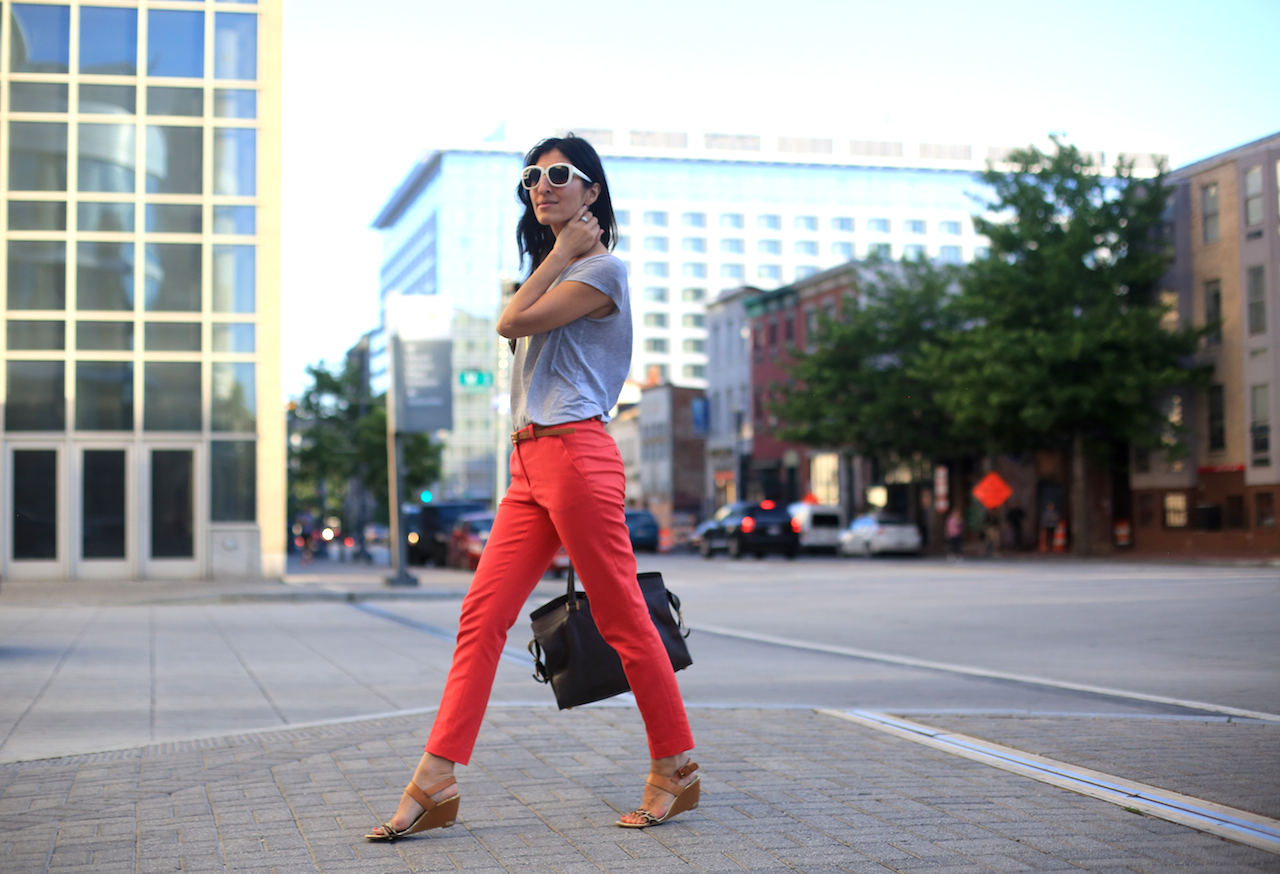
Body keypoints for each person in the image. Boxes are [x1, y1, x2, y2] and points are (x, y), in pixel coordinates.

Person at [366, 135, 698, 841]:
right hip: (528, 464)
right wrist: (550, 259)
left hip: (577, 455)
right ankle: (435, 778)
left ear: (591, 192)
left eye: (557, 175)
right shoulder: (552, 270)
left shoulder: (602, 271)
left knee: (622, 618)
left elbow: (510, 322)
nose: (540, 186)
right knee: (479, 618)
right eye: (531, 178)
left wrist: (557, 256)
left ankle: (676, 765)